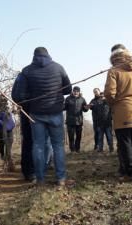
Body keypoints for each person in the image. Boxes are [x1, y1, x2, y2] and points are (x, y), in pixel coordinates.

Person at [13, 47, 72, 186]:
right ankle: (61, 178)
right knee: (58, 146)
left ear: (34, 56)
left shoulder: (27, 71)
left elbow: (19, 95)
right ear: (48, 54)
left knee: (38, 146)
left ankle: (40, 179)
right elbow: (68, 89)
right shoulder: (58, 68)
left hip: (36, 114)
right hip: (56, 112)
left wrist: (33, 97)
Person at [104, 44, 132, 183]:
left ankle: (131, 172)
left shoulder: (113, 71)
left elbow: (109, 93)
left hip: (121, 110)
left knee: (125, 143)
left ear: (113, 56)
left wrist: (113, 104)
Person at [12, 79, 34, 181]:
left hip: (30, 111)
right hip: (29, 112)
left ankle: (30, 171)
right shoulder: (24, 75)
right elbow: (15, 96)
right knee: (30, 141)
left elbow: (15, 96)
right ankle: (30, 171)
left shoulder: (23, 74)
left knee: (29, 141)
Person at [0, 95, 15, 169]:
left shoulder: (7, 109)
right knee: (3, 142)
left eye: (5, 101)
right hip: (0, 129)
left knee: (10, 142)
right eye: (3, 101)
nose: (5, 102)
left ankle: (7, 157)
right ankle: (4, 157)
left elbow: (11, 118)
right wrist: (4, 125)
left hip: (9, 129)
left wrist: (12, 124)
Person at [64, 86, 88, 153]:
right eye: (74, 91)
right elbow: (64, 108)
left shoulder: (82, 99)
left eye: (77, 91)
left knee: (78, 136)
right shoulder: (68, 99)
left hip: (79, 121)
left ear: (79, 92)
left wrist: (87, 108)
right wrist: (61, 104)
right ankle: (72, 150)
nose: (75, 92)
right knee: (71, 137)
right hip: (70, 121)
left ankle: (77, 149)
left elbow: (85, 109)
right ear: (72, 91)